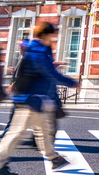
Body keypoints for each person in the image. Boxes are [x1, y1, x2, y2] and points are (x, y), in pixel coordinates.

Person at [0, 22, 79, 174]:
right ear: (46, 35)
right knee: (16, 134)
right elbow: (50, 73)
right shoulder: (38, 51)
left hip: (38, 100)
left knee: (44, 131)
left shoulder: (39, 50)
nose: (54, 38)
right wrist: (72, 82)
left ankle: (54, 158)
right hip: (31, 99)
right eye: (52, 35)